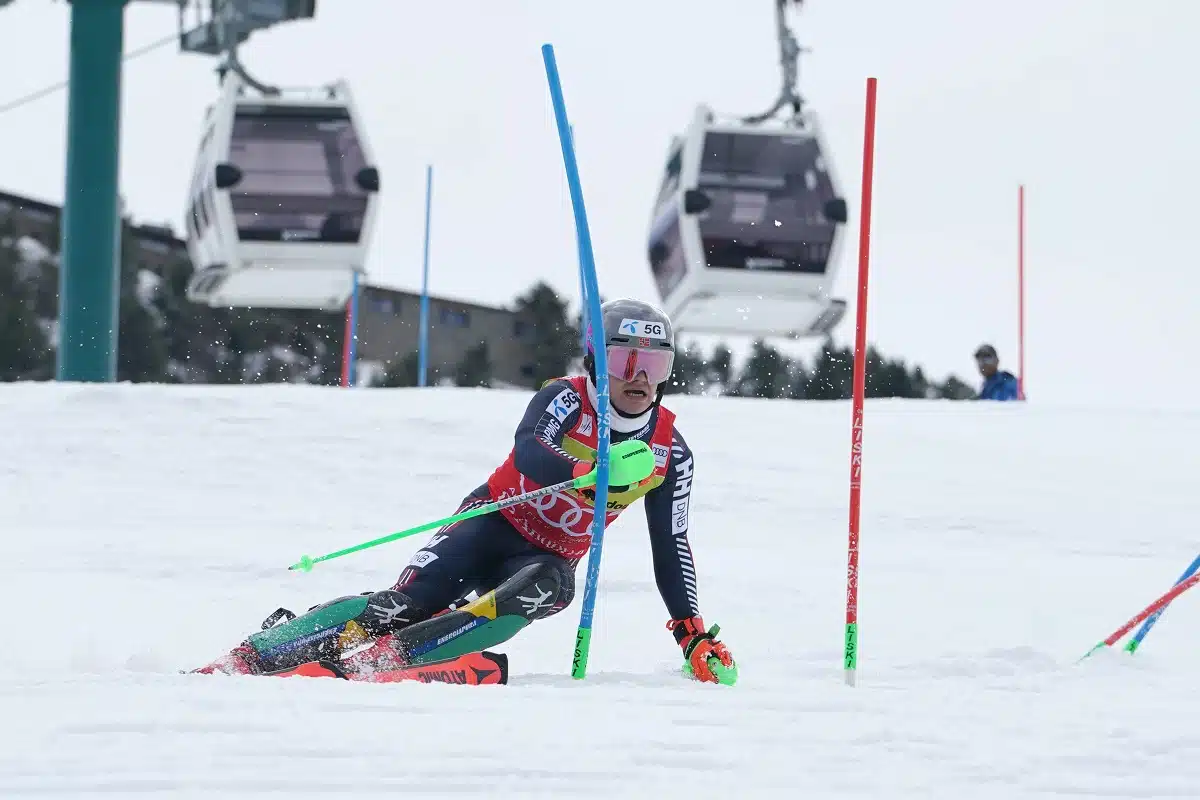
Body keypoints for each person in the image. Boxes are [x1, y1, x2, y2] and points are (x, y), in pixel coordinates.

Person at [193, 298, 736, 684]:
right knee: (406, 603)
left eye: (655, 364)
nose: (640, 377)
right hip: (490, 522)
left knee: (550, 586)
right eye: (625, 361)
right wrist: (587, 472)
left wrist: (690, 632)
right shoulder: (566, 399)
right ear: (596, 360)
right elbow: (531, 450)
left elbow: (671, 545)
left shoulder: (670, 451)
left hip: (541, 558)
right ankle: (262, 653)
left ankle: (393, 658)